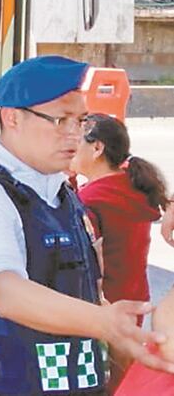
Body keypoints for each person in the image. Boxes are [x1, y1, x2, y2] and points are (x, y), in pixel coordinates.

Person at [0, 55, 174, 395]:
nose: (74, 134)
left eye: (81, 121)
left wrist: (117, 335)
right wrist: (103, 323)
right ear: (12, 117)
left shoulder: (60, 194)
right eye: (60, 120)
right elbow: (7, 293)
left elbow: (80, 290)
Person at [72, 114, 168, 308]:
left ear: (97, 148)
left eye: (75, 142)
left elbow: (81, 263)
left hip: (102, 307)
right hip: (134, 301)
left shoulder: (91, 199)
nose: (68, 148)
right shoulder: (132, 185)